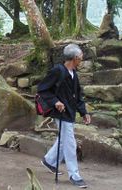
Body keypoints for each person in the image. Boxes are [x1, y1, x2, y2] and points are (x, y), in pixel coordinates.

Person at [37, 44, 91, 188]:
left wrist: (84, 112)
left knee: (64, 140)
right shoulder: (57, 71)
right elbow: (42, 89)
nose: (81, 60)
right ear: (75, 58)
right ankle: (74, 174)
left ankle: (49, 161)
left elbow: (78, 96)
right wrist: (55, 102)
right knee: (70, 142)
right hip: (60, 112)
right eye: (81, 58)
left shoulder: (74, 73)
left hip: (70, 112)